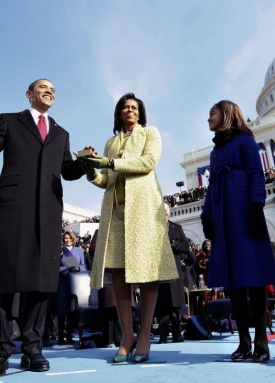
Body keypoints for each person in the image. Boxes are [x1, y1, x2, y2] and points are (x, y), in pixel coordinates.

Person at [0, 79, 84, 379]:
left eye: (54, 89)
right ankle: (3, 350)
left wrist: (83, 162)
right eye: (43, 87)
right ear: (29, 94)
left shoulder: (61, 133)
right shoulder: (10, 121)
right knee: (6, 279)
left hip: (47, 213)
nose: (50, 91)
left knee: (42, 281)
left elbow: (68, 171)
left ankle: (33, 348)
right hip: (13, 209)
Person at [79, 92, 178, 364]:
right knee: (119, 275)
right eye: (125, 107)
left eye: (134, 107)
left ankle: (144, 333)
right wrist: (90, 170)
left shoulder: (150, 134)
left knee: (147, 273)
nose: (129, 110)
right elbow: (106, 180)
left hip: (144, 210)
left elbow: (148, 164)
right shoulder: (111, 142)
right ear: (119, 113)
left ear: (140, 113)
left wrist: (109, 163)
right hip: (116, 212)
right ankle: (127, 336)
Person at [201, 100, 275, 363]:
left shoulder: (245, 141)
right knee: (233, 280)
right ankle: (243, 341)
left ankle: (261, 341)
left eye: (212, 113)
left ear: (227, 114)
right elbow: (212, 186)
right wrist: (206, 214)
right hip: (223, 216)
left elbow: (257, 173)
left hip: (244, 212)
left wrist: (257, 205)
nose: (208, 118)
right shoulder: (215, 152)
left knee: (254, 277)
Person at [154, 203, 189, 344]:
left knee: (175, 306)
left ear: (169, 213)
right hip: (160, 270)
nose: (165, 213)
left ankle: (177, 335)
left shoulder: (177, 228)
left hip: (175, 270)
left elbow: (186, 246)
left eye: (166, 210)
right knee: (162, 306)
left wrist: (176, 246)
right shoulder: (154, 228)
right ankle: (163, 337)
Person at [56, 231, 87, 345]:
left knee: (72, 310)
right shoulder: (60, 250)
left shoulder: (79, 251)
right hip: (62, 283)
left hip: (75, 284)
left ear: (73, 239)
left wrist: (78, 269)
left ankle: (69, 335)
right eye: (65, 238)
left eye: (69, 238)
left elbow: (83, 266)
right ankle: (60, 336)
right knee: (61, 309)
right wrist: (66, 269)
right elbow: (55, 268)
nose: (67, 240)